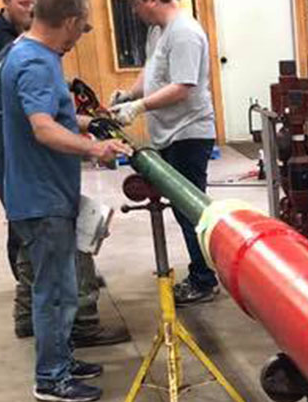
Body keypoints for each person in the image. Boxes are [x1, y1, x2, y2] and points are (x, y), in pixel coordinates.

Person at [0, 0, 131, 402]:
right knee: (54, 291)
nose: (79, 38)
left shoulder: (21, 52)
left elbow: (46, 116)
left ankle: (61, 359)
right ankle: (51, 378)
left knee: (63, 286)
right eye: (82, 30)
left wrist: (91, 123)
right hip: (42, 198)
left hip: (40, 191)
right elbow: (43, 129)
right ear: (70, 22)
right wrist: (95, 149)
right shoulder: (37, 63)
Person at [110, 0, 219, 305]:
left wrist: (139, 107)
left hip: (188, 133)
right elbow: (152, 70)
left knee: (191, 210)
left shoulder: (184, 33)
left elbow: (182, 87)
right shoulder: (159, 32)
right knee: (183, 208)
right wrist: (129, 94)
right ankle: (201, 272)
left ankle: (204, 279)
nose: (133, 11)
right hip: (169, 133)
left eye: (135, 4)